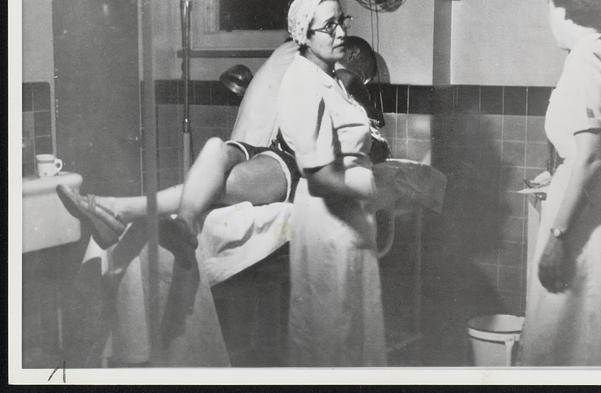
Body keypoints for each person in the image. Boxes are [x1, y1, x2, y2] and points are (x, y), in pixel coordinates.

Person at [56, 35, 385, 269]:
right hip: (272, 150)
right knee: (216, 150)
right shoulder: (316, 74)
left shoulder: (345, 81)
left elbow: (378, 147)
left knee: (220, 177)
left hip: (291, 165)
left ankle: (121, 209)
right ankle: (177, 222)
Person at [517, 0, 601, 367]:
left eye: (549, 3)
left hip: (581, 230)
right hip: (594, 215)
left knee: (566, 341)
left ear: (563, 9)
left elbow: (592, 160)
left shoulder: (586, 61)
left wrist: (557, 239)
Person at [276, 0, 386, 366]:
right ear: (304, 34)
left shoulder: (333, 79)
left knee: (355, 332)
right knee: (329, 337)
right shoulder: (302, 84)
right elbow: (320, 178)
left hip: (350, 219)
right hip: (328, 222)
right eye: (329, 26)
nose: (341, 32)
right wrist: (371, 192)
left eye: (342, 21)